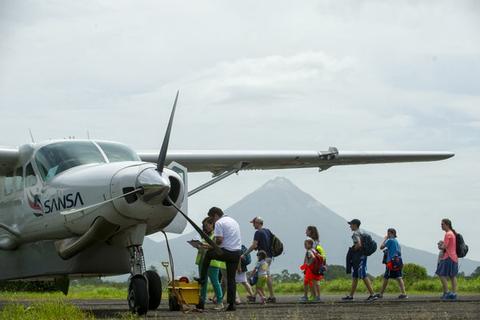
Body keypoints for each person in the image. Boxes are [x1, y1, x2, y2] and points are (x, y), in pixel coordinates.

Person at [199, 207, 242, 311]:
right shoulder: (233, 221)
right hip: (236, 253)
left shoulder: (219, 223)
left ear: (215, 215)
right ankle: (232, 305)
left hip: (226, 252)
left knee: (209, 254)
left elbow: (219, 240)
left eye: (212, 218)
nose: (212, 221)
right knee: (231, 279)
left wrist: (210, 246)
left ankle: (203, 277)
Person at [192, 217, 225, 310]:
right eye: (204, 226)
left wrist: (205, 246)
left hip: (212, 262)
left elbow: (216, 246)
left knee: (215, 282)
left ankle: (220, 302)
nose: (205, 227)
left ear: (212, 225)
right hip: (202, 261)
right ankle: (202, 302)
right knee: (203, 282)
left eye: (207, 225)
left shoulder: (215, 235)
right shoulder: (204, 235)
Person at [242, 216, 276, 303]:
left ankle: (261, 296)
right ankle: (268, 296)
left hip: (263, 258)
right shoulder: (267, 231)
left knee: (260, 276)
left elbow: (254, 245)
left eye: (254, 223)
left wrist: (245, 254)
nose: (253, 225)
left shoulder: (258, 233)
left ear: (258, 223)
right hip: (269, 257)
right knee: (265, 276)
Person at [342, 219, 377, 301]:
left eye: (351, 224)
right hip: (363, 255)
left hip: (360, 256)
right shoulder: (362, 231)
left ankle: (372, 294)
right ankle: (351, 296)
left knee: (363, 274)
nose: (350, 226)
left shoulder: (356, 233)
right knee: (355, 276)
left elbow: (359, 244)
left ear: (355, 225)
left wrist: (354, 249)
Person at [374, 228, 407, 299]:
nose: (387, 235)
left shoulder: (390, 240)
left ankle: (381, 294)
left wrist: (385, 239)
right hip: (398, 261)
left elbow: (381, 247)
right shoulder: (396, 242)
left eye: (388, 233)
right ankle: (404, 293)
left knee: (386, 277)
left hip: (391, 262)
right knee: (398, 277)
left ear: (392, 233)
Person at [436, 218, 459, 300]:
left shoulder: (448, 234)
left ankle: (447, 292)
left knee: (440, 273)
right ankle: (454, 293)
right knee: (452, 275)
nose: (441, 226)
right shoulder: (452, 233)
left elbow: (444, 247)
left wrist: (440, 246)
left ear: (447, 224)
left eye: (442, 224)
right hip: (454, 257)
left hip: (448, 257)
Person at [305, 226, 326, 300]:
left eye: (307, 230)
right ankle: (316, 296)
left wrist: (307, 263)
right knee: (315, 280)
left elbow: (311, 253)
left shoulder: (310, 241)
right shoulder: (317, 241)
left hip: (313, 262)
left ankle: (314, 296)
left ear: (310, 231)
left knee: (312, 280)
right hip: (318, 262)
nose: (305, 232)